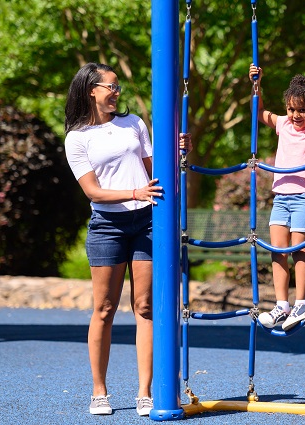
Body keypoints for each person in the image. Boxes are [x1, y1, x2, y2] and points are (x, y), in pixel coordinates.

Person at [64, 63, 192, 416]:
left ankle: (145, 392)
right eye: (111, 86)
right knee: (104, 309)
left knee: (145, 307)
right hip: (107, 225)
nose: (117, 92)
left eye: (117, 87)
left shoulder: (134, 123)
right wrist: (134, 191)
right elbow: (92, 191)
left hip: (147, 222)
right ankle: (99, 391)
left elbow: (157, 170)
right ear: (92, 89)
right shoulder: (77, 138)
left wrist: (178, 151)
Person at [249, 64, 305, 331]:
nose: (296, 115)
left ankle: (301, 302)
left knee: (299, 249)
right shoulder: (283, 125)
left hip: (303, 197)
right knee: (278, 251)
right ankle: (281, 305)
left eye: (303, 110)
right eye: (291, 109)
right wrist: (257, 84)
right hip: (281, 197)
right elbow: (259, 113)